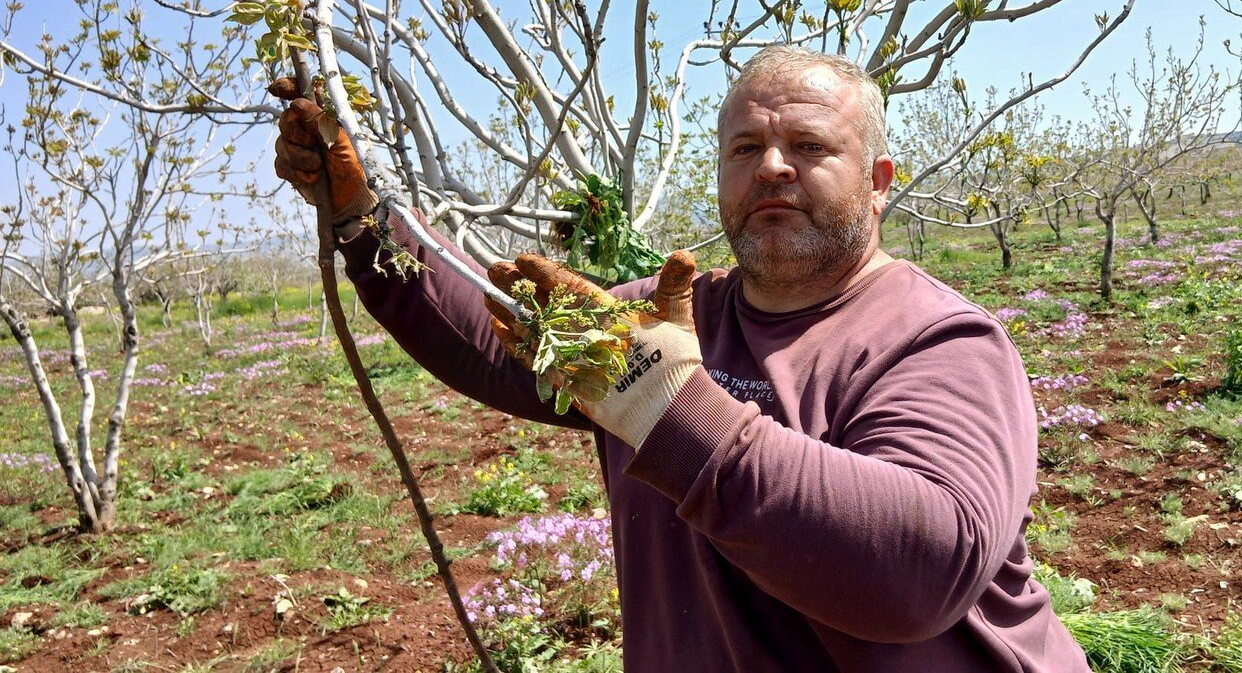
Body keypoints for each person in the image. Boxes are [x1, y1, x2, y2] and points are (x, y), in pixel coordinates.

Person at [273, 45, 1089, 671]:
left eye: (808, 144)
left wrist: (666, 405)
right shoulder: (669, 316)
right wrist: (362, 220)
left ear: (878, 182)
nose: (772, 166)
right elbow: (491, 339)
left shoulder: (941, 342)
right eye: (745, 148)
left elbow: (922, 569)